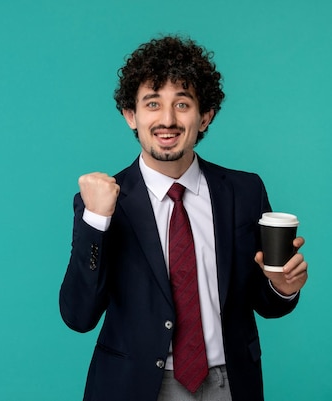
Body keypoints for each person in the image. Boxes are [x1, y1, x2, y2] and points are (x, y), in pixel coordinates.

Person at [59, 35, 308, 401]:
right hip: (133, 386)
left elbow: (264, 302)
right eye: (152, 104)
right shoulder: (101, 201)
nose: (167, 120)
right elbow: (78, 315)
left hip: (229, 384)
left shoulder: (245, 191)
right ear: (131, 115)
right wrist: (96, 220)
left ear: (205, 116)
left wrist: (282, 288)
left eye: (183, 104)